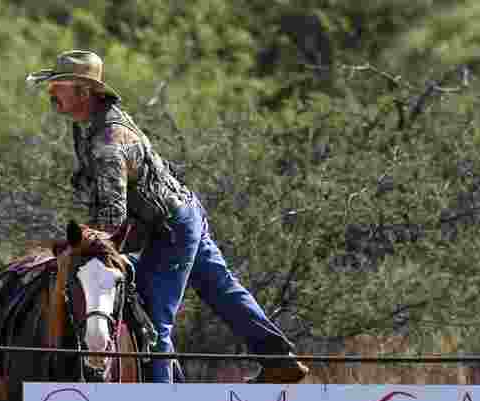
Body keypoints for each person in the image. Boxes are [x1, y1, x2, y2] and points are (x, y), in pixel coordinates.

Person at [26, 50, 309, 383]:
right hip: (180, 214)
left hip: (168, 228)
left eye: (59, 86)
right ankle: (279, 360)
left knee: (150, 319)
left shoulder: (106, 142)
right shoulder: (90, 124)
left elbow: (113, 219)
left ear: (84, 93)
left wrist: (78, 243)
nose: (51, 93)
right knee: (221, 290)